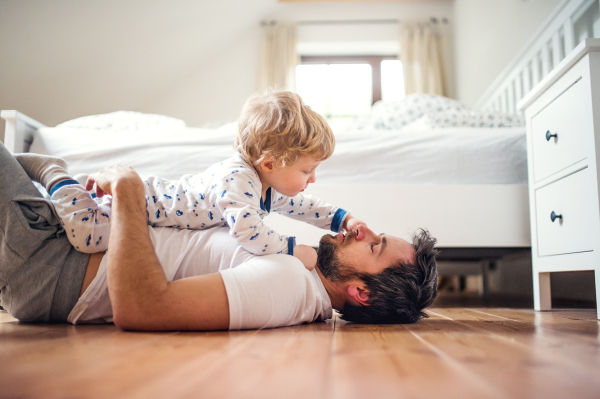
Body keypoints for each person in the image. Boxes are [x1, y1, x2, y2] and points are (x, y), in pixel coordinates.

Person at [0, 142, 439, 329]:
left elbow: (142, 309)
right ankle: (50, 173)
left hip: (49, 259)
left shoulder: (287, 285)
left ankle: (52, 171)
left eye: (374, 245)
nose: (363, 231)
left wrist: (131, 192)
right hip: (55, 247)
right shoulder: (301, 278)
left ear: (360, 292)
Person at [14, 91, 365, 260]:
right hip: (138, 203)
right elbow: (248, 232)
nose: (313, 179)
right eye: (308, 170)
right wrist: (293, 249)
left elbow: (301, 205)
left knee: (61, 229)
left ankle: (47, 199)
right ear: (271, 163)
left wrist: (341, 219)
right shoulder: (238, 181)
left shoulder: (263, 180)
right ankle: (55, 175)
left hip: (149, 206)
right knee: (86, 235)